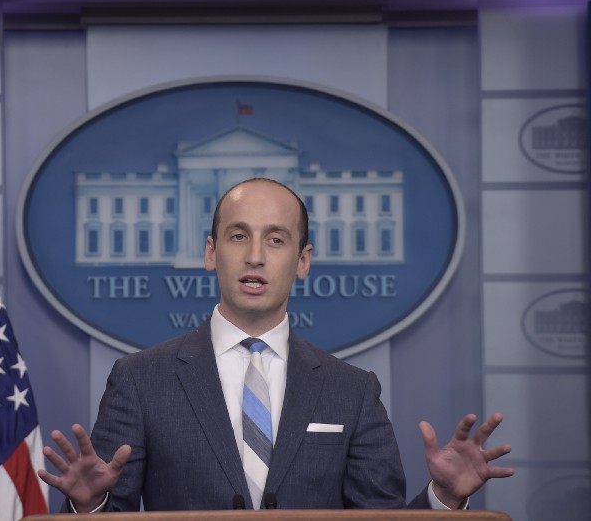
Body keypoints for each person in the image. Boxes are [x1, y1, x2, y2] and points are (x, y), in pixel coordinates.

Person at [38, 178, 514, 512]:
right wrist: (90, 504)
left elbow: (380, 519)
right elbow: (106, 519)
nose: (255, 257)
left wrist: (444, 499)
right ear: (211, 252)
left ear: (303, 260)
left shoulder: (353, 391)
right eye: (238, 235)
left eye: (277, 240)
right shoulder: (141, 380)